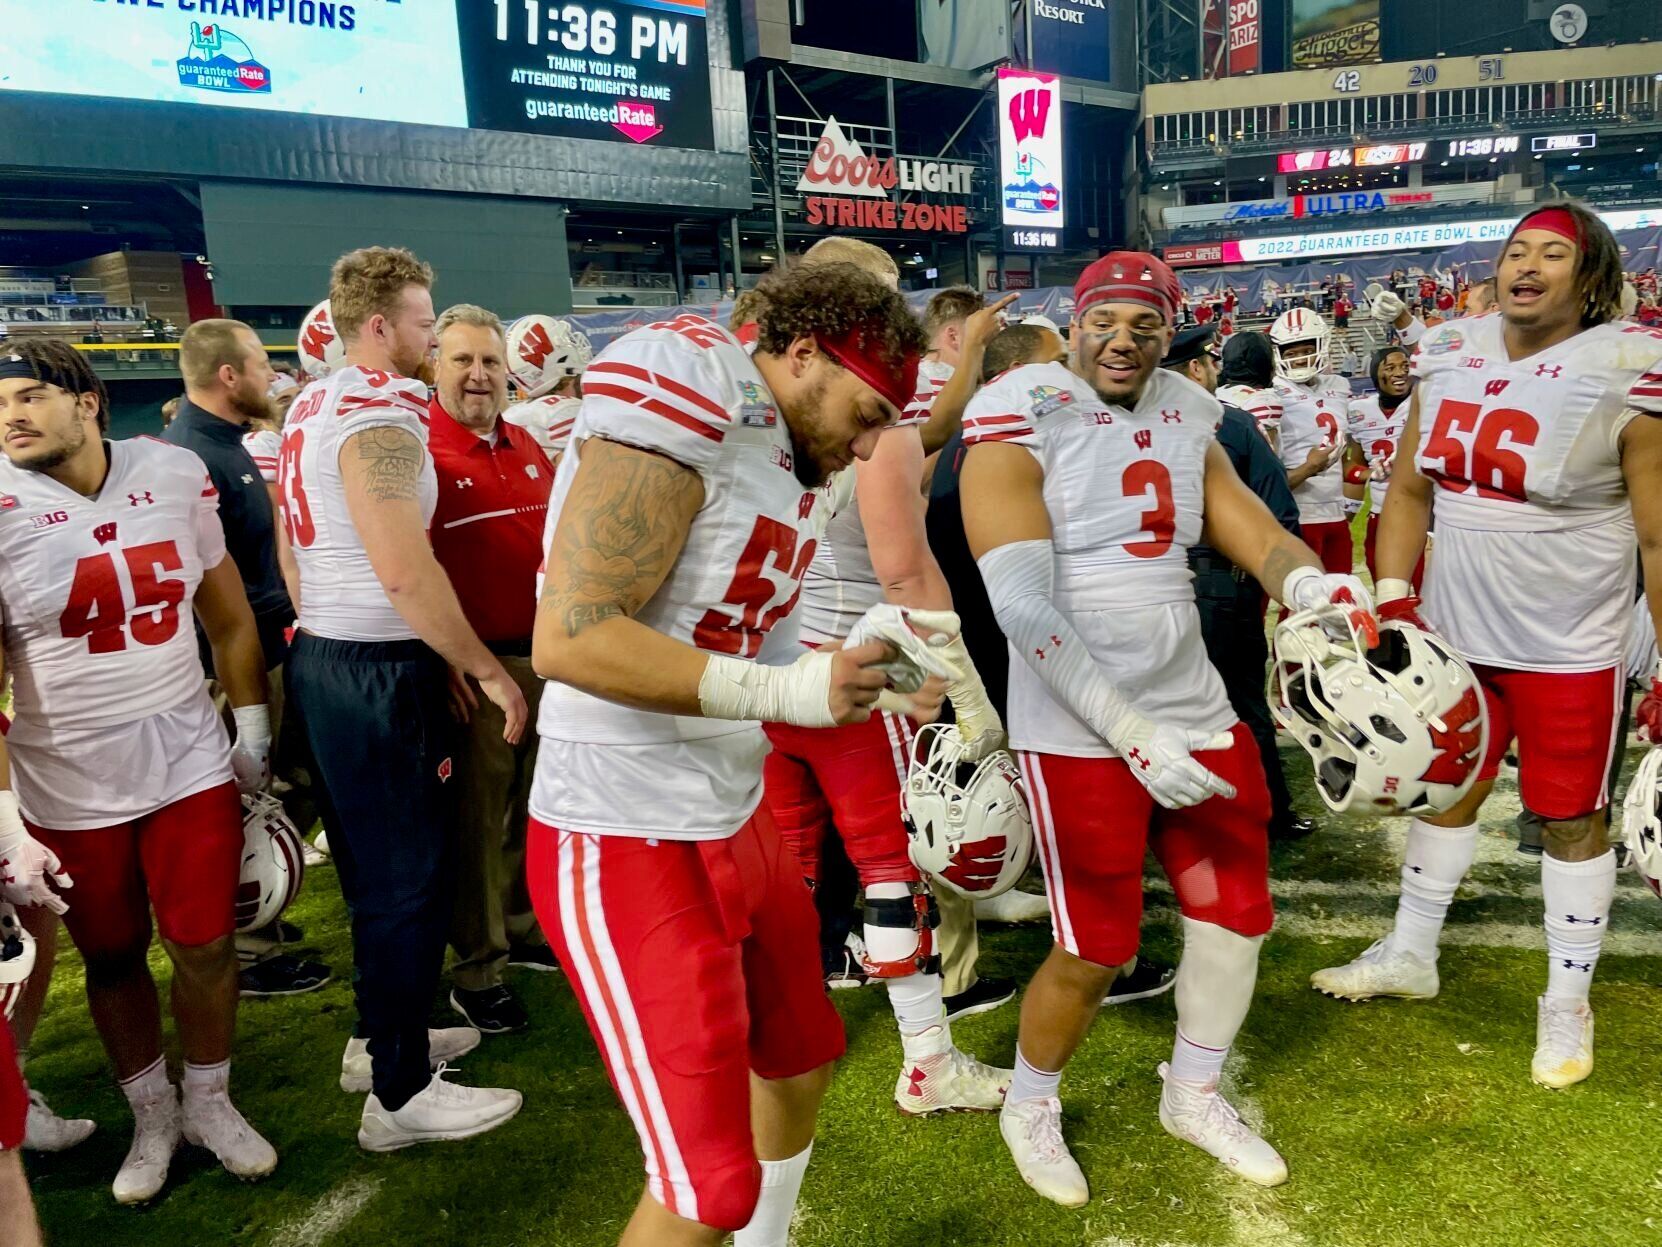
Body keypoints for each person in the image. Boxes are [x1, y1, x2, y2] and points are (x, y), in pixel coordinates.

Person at [527, 261, 942, 1247]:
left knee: (801, 1059)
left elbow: (752, 640)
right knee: (706, 1188)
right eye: (867, 411)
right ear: (799, 354)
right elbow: (571, 635)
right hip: (624, 824)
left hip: (733, 803)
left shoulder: (799, 457)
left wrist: (858, 664)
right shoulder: (695, 380)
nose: (870, 443)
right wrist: (788, 692)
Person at [961, 252, 1377, 1204]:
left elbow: (1249, 526)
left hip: (1191, 696)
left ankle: (1191, 1091)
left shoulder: (1191, 410)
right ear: (1075, 324)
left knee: (1237, 915)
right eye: (1105, 320)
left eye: (1145, 324)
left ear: (1170, 332)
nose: (1124, 340)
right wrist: (1130, 732)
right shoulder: (1019, 407)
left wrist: (1310, 584)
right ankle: (1030, 1101)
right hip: (1078, 717)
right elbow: (1020, 607)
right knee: (1098, 942)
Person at [1312, 201, 1662, 1090]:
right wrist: (1396, 598)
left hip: (1570, 644)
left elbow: (1658, 536)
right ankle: (1412, 950)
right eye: (1516, 251)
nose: (1527, 266)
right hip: (1456, 635)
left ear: (1593, 279)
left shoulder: (1631, 366)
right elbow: (1407, 490)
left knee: (1571, 817)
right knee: (1444, 791)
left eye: (1553, 254)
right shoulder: (1449, 349)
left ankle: (1567, 1000)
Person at [0, 338, 277, 1203]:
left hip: (186, 756)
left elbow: (228, 616)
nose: (11, 414)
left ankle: (211, 1101)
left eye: (29, 394)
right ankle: (152, 1115)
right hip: (66, 778)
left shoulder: (172, 471)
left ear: (87, 401)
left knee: (206, 940)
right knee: (112, 952)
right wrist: (6, 816)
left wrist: (253, 729)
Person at [279, 247, 524, 1148]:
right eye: (425, 321)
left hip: (330, 653)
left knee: (368, 871)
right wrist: (484, 666)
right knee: (407, 880)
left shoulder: (314, 401)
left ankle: (378, 1036)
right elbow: (403, 569)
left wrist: (335, 625)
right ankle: (399, 1093)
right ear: (381, 325)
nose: (432, 333)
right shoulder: (380, 412)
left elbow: (291, 547)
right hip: (374, 668)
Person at [764, 268, 1013, 1102]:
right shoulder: (882, 426)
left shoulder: (767, 415)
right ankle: (927, 1062)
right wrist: (962, 692)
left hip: (770, 666)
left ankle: (786, 1034)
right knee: (890, 866)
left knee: (792, 864)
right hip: (859, 665)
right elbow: (906, 576)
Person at [164, 320, 330, 999]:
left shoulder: (223, 444)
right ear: (228, 374)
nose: (272, 373)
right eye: (261, 361)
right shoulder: (192, 457)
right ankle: (249, 947)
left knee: (291, 786)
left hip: (264, 647)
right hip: (234, 662)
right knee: (249, 800)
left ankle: (259, 918)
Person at [425, 304, 557, 1036]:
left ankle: (523, 927)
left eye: (490, 361)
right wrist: (448, 658)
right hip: (477, 670)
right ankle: (478, 970)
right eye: (462, 360)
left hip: (546, 658)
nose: (479, 375)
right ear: (434, 366)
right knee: (476, 824)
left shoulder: (526, 441)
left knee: (534, 809)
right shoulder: (418, 449)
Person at [1166, 324, 1311, 841]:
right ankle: (1267, 811)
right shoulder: (1231, 423)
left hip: (1144, 586)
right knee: (1242, 706)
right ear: (1196, 368)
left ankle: (1170, 817)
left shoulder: (1114, 426)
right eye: (1209, 361)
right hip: (1219, 584)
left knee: (1157, 705)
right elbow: (1279, 512)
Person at [1267, 309, 1352, 576]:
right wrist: (1309, 468)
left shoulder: (1338, 385)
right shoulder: (1273, 392)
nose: (1300, 358)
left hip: (1335, 510)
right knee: (1302, 594)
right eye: (1291, 353)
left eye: (1306, 350)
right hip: (1297, 512)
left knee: (1341, 591)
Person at [1347, 346, 1415, 582]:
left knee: (1426, 589)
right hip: (1380, 514)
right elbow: (1352, 466)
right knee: (1385, 586)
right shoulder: (1359, 410)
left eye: (1405, 366)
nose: (1400, 372)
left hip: (1420, 514)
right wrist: (1368, 473)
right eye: (1390, 367)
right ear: (1376, 373)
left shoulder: (1424, 403)